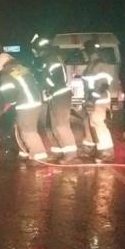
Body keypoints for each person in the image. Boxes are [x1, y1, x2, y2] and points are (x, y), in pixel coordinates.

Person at [30, 34, 79, 163]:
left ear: (41, 49)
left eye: (36, 50)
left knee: (61, 126)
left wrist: (47, 85)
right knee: (53, 127)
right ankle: (58, 152)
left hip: (60, 95)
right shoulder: (48, 60)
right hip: (55, 96)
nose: (35, 53)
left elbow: (57, 80)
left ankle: (71, 155)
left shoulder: (52, 60)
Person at [0, 53, 50, 166]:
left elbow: (10, 96)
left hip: (26, 104)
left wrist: (7, 106)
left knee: (28, 132)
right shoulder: (21, 69)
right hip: (35, 101)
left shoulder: (6, 75)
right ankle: (25, 153)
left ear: (0, 66)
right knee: (25, 129)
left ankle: (40, 157)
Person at [80, 40, 115, 162]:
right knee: (91, 123)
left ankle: (107, 151)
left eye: (84, 52)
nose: (83, 54)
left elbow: (103, 85)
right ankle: (90, 146)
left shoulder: (100, 65)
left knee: (98, 123)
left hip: (99, 100)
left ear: (89, 52)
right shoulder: (92, 65)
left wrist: (92, 99)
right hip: (91, 99)